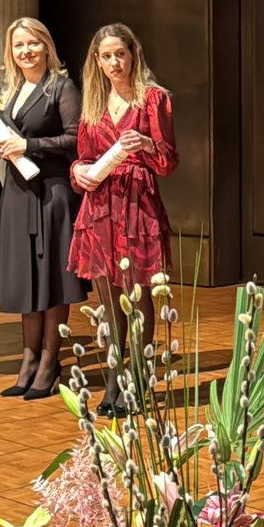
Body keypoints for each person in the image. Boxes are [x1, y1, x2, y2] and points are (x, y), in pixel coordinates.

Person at [69, 23, 178, 416]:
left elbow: (168, 162)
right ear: (96, 62)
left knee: (138, 297)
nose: (114, 63)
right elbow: (82, 156)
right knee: (109, 301)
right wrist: (76, 172)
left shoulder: (153, 99)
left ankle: (140, 379)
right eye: (106, 56)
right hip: (99, 206)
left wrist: (147, 144)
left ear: (134, 54)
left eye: (120, 54)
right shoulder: (93, 102)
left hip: (137, 204)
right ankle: (115, 379)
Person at [0, 18, 87, 400]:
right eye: (18, 45)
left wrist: (27, 146)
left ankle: (50, 361)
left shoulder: (61, 86)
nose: (25, 51)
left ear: (46, 47)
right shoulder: (8, 91)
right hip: (17, 194)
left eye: (32, 43)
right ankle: (28, 358)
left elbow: (75, 138)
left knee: (51, 278)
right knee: (26, 279)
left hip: (51, 193)